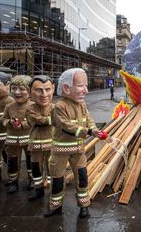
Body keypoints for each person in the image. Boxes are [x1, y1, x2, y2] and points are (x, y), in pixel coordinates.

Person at [44, 68, 103, 218]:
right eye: (81, 86)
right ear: (66, 88)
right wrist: (88, 132)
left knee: (82, 178)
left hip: (78, 151)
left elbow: (89, 120)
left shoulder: (81, 104)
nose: (86, 90)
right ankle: (55, 205)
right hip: (60, 152)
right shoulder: (60, 107)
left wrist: (95, 129)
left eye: (86, 86)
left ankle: (84, 205)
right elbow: (67, 126)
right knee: (57, 179)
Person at [2, 75, 33, 194]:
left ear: (29, 91)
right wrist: (9, 122)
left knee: (31, 160)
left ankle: (32, 179)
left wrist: (23, 125)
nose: (17, 92)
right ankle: (13, 181)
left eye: (21, 89)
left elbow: (34, 120)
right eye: (14, 89)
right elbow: (4, 119)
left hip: (29, 139)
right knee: (12, 161)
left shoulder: (33, 106)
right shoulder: (9, 106)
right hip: (12, 139)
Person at [26, 75, 54, 201]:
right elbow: (36, 121)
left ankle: (52, 188)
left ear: (53, 89)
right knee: (36, 166)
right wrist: (53, 119)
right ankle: (38, 189)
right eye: (39, 90)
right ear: (30, 91)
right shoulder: (30, 108)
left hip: (52, 142)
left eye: (47, 89)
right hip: (36, 142)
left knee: (52, 166)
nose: (44, 94)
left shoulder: (55, 107)